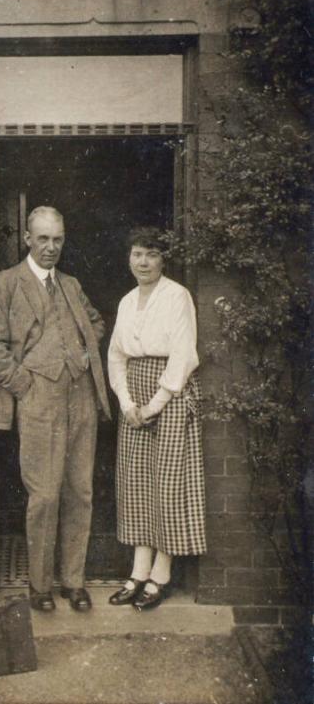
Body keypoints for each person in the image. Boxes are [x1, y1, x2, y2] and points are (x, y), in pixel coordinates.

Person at [0, 206, 111, 613]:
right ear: (28, 239)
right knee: (44, 495)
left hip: (81, 397)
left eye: (58, 240)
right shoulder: (7, 283)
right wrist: (25, 385)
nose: (51, 247)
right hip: (40, 401)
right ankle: (39, 586)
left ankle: (73, 581)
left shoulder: (71, 284)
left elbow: (96, 322)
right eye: (44, 239)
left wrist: (86, 353)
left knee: (80, 492)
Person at [107, 226, 206, 610]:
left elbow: (182, 356)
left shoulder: (177, 296)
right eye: (136, 254)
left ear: (163, 259)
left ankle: (160, 575)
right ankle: (137, 571)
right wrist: (127, 402)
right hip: (135, 397)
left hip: (170, 395)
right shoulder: (127, 301)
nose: (143, 262)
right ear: (129, 258)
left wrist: (154, 404)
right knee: (136, 483)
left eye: (151, 254)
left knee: (166, 482)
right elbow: (117, 356)